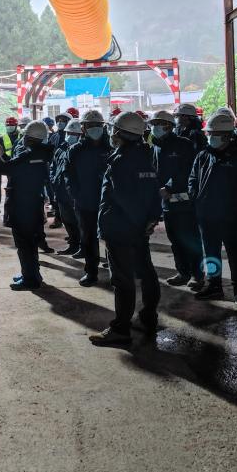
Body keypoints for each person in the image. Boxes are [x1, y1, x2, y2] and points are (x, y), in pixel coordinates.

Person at [90, 111, 162, 346]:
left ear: (120, 133)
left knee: (122, 279)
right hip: (139, 228)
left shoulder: (120, 161)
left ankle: (121, 329)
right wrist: (151, 218)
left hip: (121, 228)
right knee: (146, 272)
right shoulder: (145, 156)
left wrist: (138, 222)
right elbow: (154, 191)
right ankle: (149, 318)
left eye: (114, 130)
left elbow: (123, 197)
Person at [190, 113, 237, 304]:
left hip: (230, 215)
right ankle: (214, 286)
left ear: (227, 135)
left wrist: (234, 205)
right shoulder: (203, 155)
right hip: (206, 214)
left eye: (214, 133)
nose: (210, 136)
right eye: (209, 133)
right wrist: (195, 197)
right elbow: (193, 178)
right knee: (211, 252)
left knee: (234, 252)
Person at [0, 120, 54, 290]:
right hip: (33, 202)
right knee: (30, 242)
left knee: (24, 244)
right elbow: (14, 166)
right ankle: (32, 273)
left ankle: (30, 279)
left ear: (30, 138)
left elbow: (6, 169)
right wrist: (2, 155)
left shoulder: (29, 154)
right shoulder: (41, 153)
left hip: (22, 205)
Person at [150, 109, 204, 291]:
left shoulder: (183, 144)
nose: (155, 127)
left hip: (184, 200)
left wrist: (169, 187)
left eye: (159, 124)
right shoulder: (155, 146)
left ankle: (197, 275)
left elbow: (188, 170)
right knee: (175, 240)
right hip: (166, 202)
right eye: (153, 124)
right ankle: (183, 272)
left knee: (190, 238)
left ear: (169, 126)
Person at [65, 109, 112, 286]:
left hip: (109, 202)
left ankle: (116, 270)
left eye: (98, 125)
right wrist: (75, 194)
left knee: (112, 237)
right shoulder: (76, 150)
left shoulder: (111, 148)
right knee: (88, 238)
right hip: (85, 202)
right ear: (83, 128)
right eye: (90, 125)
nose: (94, 128)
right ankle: (91, 272)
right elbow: (68, 174)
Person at [50, 119, 83, 256]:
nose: (70, 136)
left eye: (74, 134)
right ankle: (73, 244)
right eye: (69, 133)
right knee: (67, 220)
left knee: (79, 222)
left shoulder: (81, 151)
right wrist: (53, 180)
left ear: (80, 135)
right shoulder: (60, 149)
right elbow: (53, 167)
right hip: (61, 191)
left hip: (75, 193)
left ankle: (83, 248)